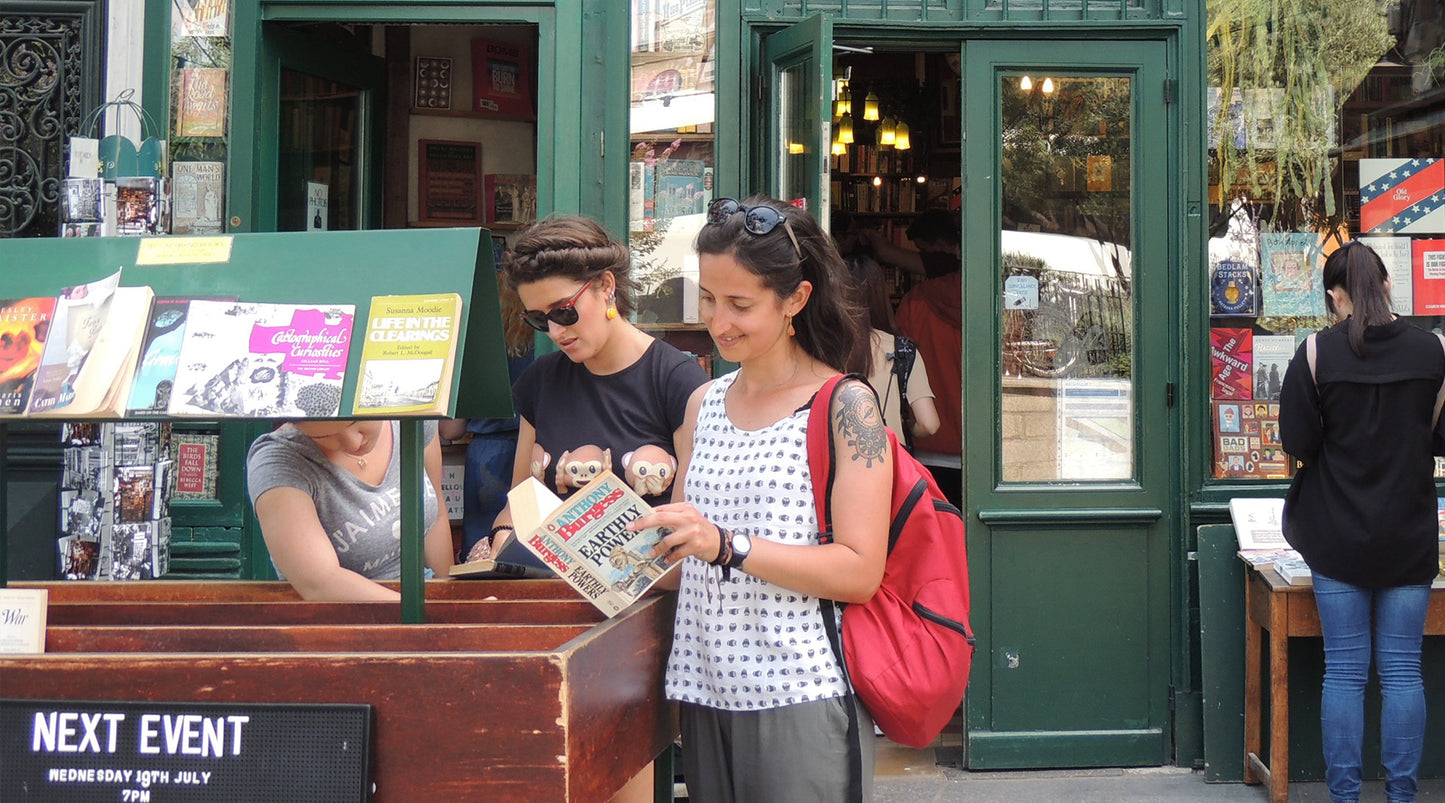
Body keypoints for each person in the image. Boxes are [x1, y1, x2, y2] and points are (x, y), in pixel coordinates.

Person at [633, 196, 893, 802]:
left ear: (796, 300)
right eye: (708, 298)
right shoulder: (704, 404)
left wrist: (726, 545)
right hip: (703, 686)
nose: (718, 320)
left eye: (740, 304)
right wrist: (601, 549)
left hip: (801, 688)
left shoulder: (845, 406)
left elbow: (859, 571)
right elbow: (681, 555)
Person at [491, 215, 709, 803]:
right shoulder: (541, 380)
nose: (554, 331)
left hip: (632, 629)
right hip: (548, 621)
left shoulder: (676, 378)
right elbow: (520, 499)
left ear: (607, 288)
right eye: (538, 319)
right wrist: (498, 542)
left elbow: (692, 535)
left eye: (563, 312)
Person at [1279, 241, 1445, 803]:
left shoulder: (1316, 354)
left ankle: (1344, 797)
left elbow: (1298, 443)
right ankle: (1402, 796)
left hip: (1336, 536)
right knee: (1402, 672)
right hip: (1409, 532)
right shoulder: (1432, 352)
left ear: (1335, 294)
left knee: (1344, 674)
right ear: (1389, 285)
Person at [247, 419, 454, 601]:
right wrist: (434, 613)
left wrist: (454, 597)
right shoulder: (277, 461)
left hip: (425, 601)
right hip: (345, 625)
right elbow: (321, 584)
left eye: (355, 422)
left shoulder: (412, 417)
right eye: (326, 435)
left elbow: (437, 517)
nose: (353, 443)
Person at [439, 275, 536, 561]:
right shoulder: (550, 345)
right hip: (537, 452)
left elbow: (451, 429)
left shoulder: (476, 347)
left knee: (482, 554)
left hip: (487, 456)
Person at [848, 253, 940, 446]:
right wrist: (903, 427)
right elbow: (929, 424)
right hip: (888, 462)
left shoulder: (822, 348)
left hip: (839, 461)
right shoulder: (902, 349)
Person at [894, 264, 962, 506]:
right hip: (989, 461)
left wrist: (908, 427)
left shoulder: (916, 301)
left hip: (928, 450)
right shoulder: (998, 297)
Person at [861, 208, 961, 279]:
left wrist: (867, 232)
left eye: (924, 250)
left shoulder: (947, 263)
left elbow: (885, 252)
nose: (921, 254)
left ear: (941, 244)